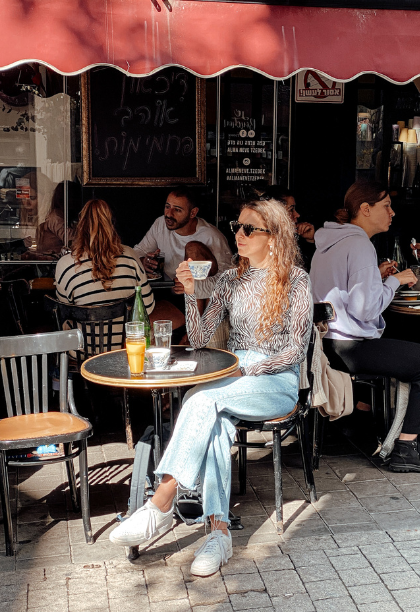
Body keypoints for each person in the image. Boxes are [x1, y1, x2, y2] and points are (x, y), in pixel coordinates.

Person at [111, 197, 312, 576]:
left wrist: (249, 372)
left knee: (201, 398)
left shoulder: (297, 281)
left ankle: (162, 502)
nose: (238, 233)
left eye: (248, 228)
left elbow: (295, 350)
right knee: (215, 422)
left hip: (275, 381)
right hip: (234, 376)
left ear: (274, 237)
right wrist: (190, 292)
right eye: (238, 226)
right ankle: (218, 534)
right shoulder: (229, 279)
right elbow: (202, 337)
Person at [310, 180, 420, 470]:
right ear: (365, 209)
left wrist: (378, 278)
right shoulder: (359, 244)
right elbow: (364, 308)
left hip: (323, 343)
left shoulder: (330, 241)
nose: (393, 212)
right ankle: (406, 449)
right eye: (386, 206)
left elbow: (346, 291)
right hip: (349, 347)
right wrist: (395, 281)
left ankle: (357, 420)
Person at [55, 199, 154, 349]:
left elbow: (65, 313)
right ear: (112, 224)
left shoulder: (65, 264)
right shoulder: (130, 255)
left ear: (80, 226)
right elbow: (148, 307)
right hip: (125, 349)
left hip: (83, 352)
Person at [133, 186, 234, 280]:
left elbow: (227, 276)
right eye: (167, 207)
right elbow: (137, 252)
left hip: (198, 295)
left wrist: (193, 287)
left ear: (193, 213)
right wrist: (144, 261)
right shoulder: (160, 224)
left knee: (193, 248)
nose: (169, 214)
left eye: (177, 210)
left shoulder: (211, 236)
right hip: (167, 290)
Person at [263, 185, 316, 269]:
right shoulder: (262, 246)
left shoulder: (295, 242)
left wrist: (310, 241)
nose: (297, 215)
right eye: (291, 210)